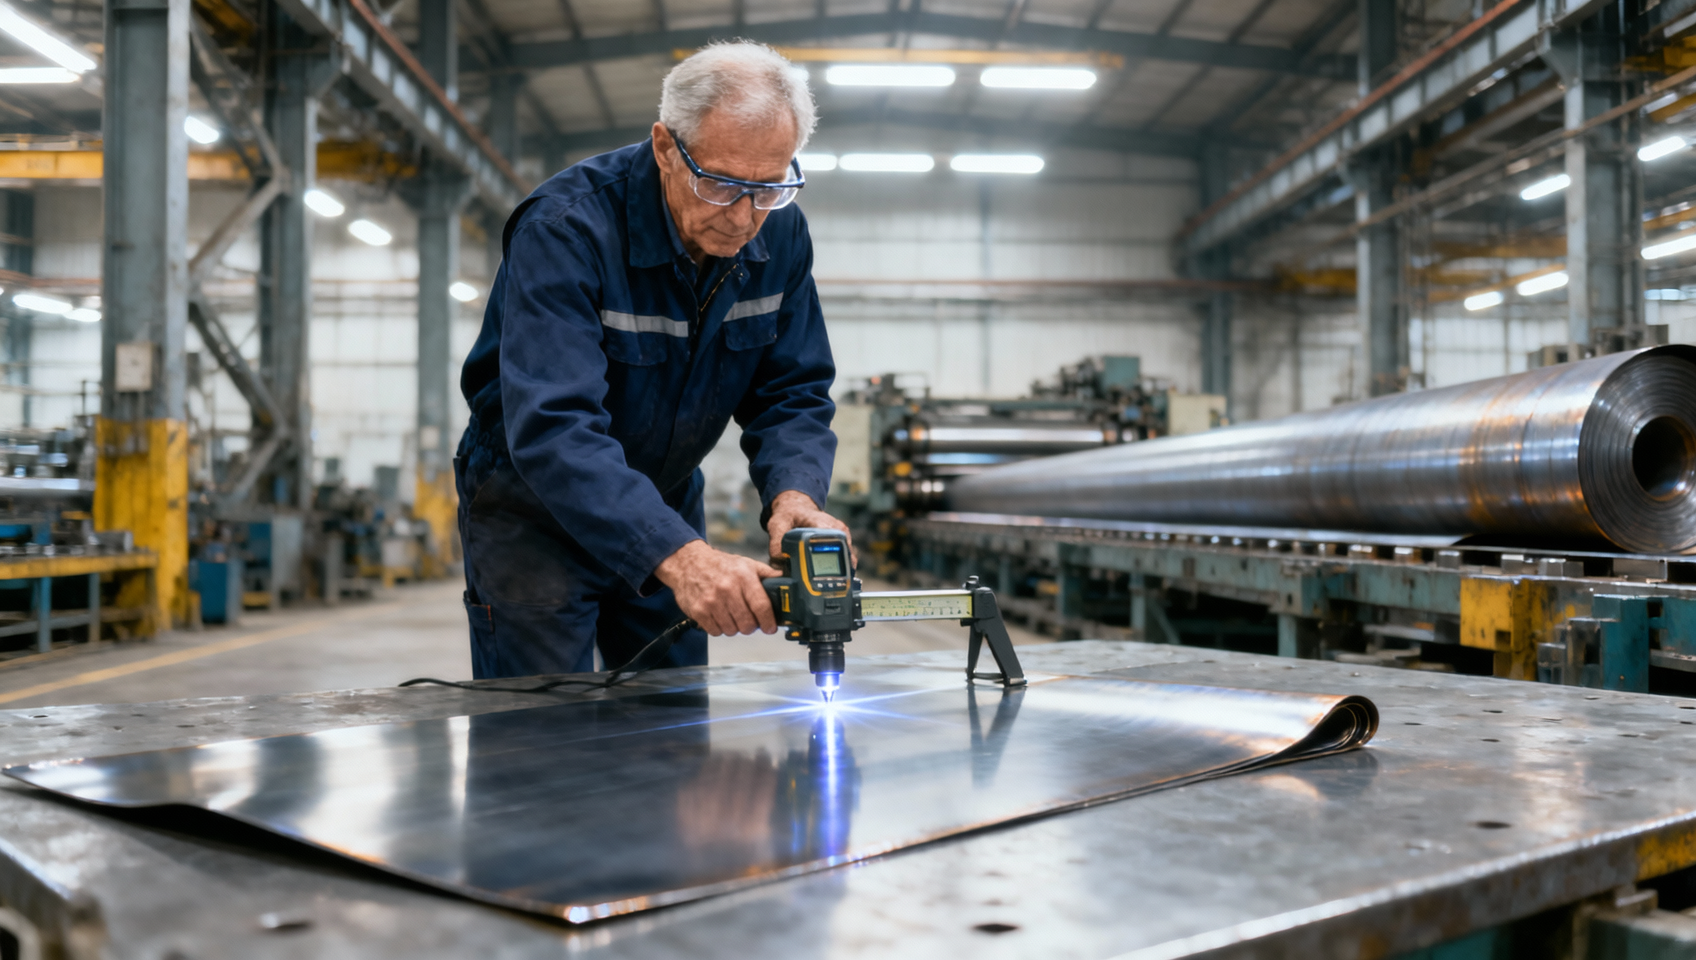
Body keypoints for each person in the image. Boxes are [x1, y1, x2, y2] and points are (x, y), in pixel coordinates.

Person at [454, 41, 852, 678]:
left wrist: (795, 494)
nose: (746, 216)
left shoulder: (781, 233)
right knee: (536, 737)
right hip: (534, 511)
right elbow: (555, 425)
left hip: (663, 498)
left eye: (771, 186)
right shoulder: (566, 230)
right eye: (721, 183)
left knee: (670, 719)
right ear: (667, 147)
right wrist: (683, 558)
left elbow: (793, 391)